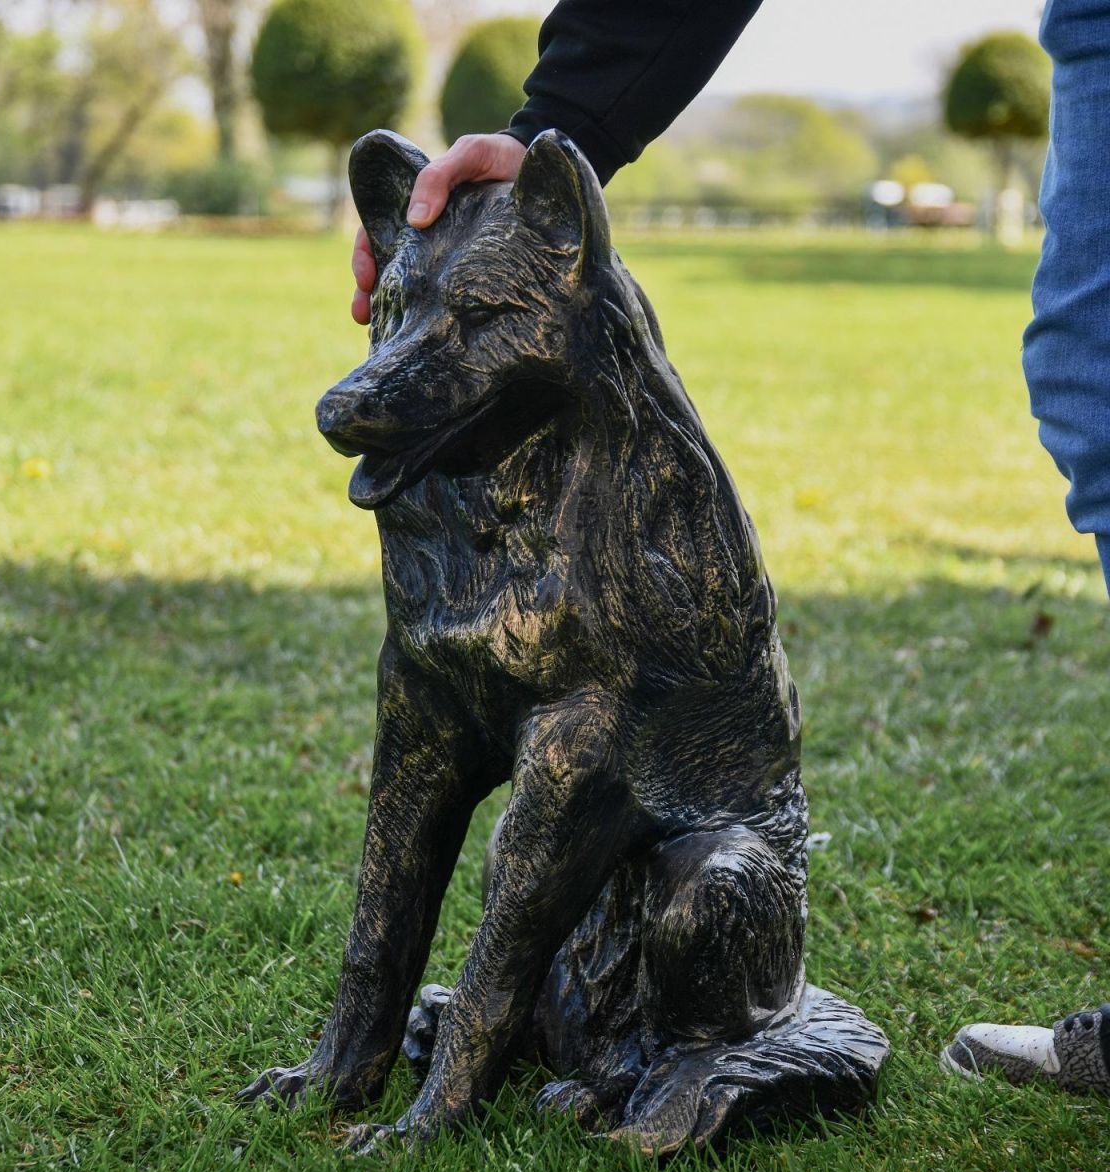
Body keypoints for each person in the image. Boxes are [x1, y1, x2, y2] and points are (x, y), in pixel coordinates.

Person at [349, 0, 1110, 1095]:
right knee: (1092, 378)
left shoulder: (636, 546)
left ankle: (680, 1049)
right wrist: (561, 121)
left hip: (709, 875)